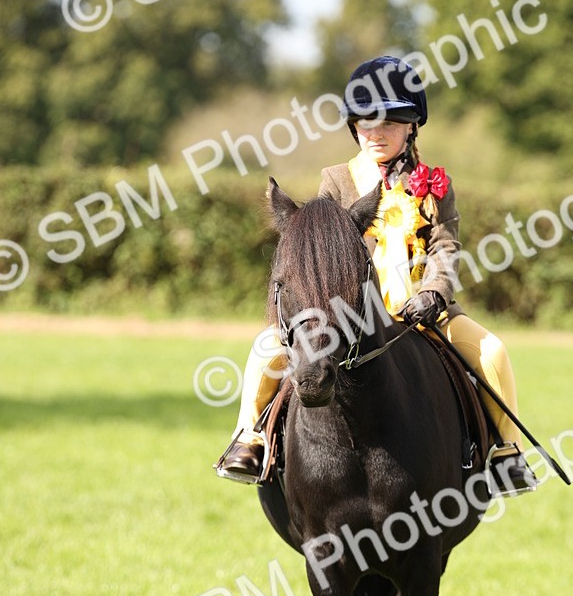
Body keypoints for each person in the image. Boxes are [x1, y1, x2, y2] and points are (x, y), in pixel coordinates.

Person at [216, 55, 538, 496]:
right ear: (354, 127)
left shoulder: (435, 184)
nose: (376, 133)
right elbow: (321, 251)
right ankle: (250, 438)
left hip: (424, 315)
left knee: (493, 351)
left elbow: (445, 247)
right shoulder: (336, 180)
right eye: (366, 123)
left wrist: (434, 294)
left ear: (411, 128)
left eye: (389, 123)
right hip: (349, 315)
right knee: (265, 349)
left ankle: (506, 452)